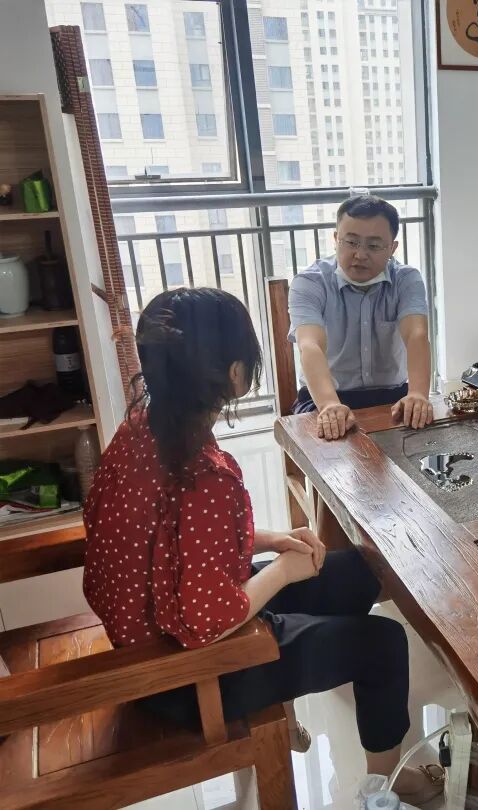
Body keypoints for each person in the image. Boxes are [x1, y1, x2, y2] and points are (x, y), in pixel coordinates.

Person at [83, 288, 443, 805]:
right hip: (187, 675)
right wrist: (282, 571)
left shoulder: (145, 427)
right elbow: (206, 622)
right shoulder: (204, 474)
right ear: (235, 373)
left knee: (360, 572)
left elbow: (174, 539)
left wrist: (273, 540)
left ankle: (324, 676)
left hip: (153, 625)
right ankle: (386, 785)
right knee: (383, 643)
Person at [289, 193, 434, 438]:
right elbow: (310, 345)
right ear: (336, 239)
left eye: (374, 246)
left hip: (392, 395)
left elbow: (416, 335)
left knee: (424, 445)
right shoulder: (310, 282)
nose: (360, 254)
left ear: (392, 248)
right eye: (351, 242)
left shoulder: (406, 279)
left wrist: (418, 394)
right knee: (333, 450)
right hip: (325, 398)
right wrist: (329, 404)